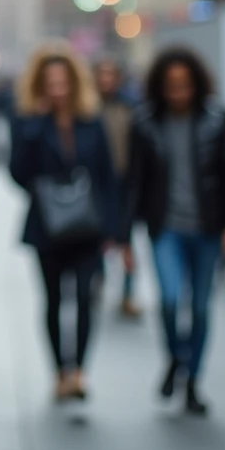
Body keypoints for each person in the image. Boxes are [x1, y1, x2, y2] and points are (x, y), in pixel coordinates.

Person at [123, 47, 225, 417]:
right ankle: (177, 357)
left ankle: (192, 379)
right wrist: (123, 236)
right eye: (172, 86)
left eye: (185, 86)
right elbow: (134, 183)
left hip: (208, 228)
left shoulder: (219, 120)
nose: (179, 93)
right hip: (166, 229)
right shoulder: (145, 124)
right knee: (171, 301)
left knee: (202, 307)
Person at [9, 43, 119, 402]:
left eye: (62, 82)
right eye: (50, 83)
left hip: (88, 227)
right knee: (54, 300)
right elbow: (18, 174)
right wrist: (36, 126)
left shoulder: (91, 120)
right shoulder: (29, 123)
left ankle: (79, 371)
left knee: (87, 298)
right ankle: (59, 371)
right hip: (48, 226)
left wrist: (112, 228)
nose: (57, 89)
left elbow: (106, 175)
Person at [93, 57, 141, 318]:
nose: (106, 80)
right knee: (96, 237)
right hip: (97, 184)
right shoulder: (88, 107)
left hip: (124, 182)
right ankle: (96, 282)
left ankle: (127, 292)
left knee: (127, 240)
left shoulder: (130, 107)